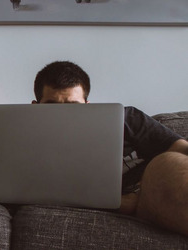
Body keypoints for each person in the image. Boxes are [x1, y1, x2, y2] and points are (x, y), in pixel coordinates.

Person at [32, 61, 188, 237]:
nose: (63, 117)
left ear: (87, 105)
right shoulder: (27, 144)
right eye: (52, 107)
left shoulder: (126, 118)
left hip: (155, 184)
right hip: (145, 205)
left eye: (73, 107)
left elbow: (182, 148)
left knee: (166, 164)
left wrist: (137, 193)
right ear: (35, 107)